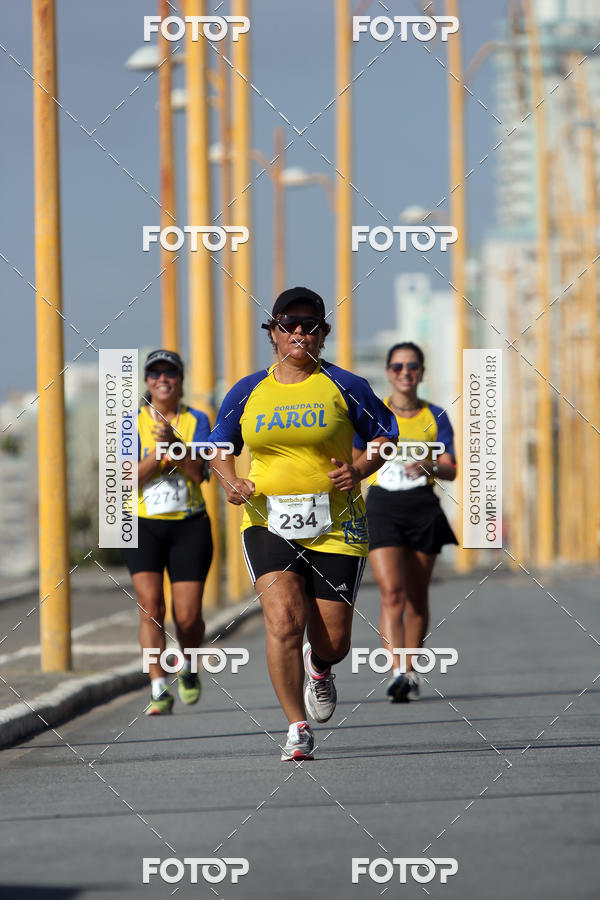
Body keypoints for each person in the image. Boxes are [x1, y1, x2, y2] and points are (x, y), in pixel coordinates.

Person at [209, 287, 398, 760]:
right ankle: (296, 726)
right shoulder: (247, 389)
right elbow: (218, 447)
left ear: (322, 334)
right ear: (272, 332)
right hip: (268, 520)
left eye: (310, 325)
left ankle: (321, 669)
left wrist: (358, 469)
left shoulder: (346, 386)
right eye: (289, 324)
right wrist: (231, 481)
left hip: (337, 523)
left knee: (332, 640)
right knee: (284, 621)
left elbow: (385, 437)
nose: (299, 333)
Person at [357, 342, 458, 703]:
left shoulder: (436, 416)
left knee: (416, 596)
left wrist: (430, 465)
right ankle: (397, 670)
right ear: (388, 373)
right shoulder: (375, 414)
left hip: (422, 507)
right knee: (391, 592)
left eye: (411, 366)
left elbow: (452, 469)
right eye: (397, 367)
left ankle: (411, 669)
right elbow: (356, 458)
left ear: (421, 373)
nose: (405, 372)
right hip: (383, 505)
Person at [121, 350, 213, 715]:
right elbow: (125, 478)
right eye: (155, 373)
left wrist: (176, 444)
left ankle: (189, 666)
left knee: (187, 616)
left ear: (180, 380)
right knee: (150, 607)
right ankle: (158, 685)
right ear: (146, 382)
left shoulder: (197, 419)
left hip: (189, 525)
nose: (163, 379)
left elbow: (199, 473)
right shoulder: (130, 423)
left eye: (170, 373)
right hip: (142, 524)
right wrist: (159, 454)